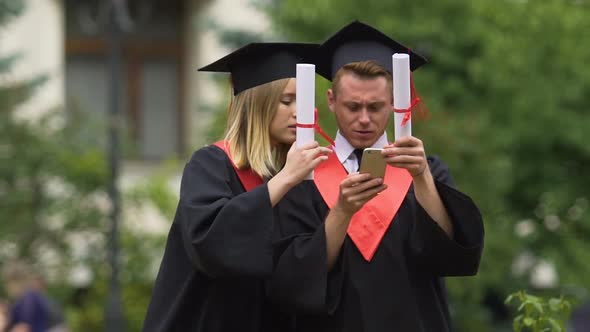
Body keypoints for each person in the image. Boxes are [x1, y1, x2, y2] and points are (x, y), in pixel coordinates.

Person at [268, 21, 485, 331]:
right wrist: (341, 212)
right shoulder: (304, 176)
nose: (364, 119)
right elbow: (294, 279)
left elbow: (451, 257)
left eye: (376, 106)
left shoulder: (426, 171)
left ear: (395, 103)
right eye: (353, 106)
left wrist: (421, 178)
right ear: (331, 101)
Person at [142, 42, 332, 332]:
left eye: (303, 101)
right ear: (258, 104)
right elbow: (211, 244)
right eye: (286, 101)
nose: (299, 112)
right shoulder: (212, 165)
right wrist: (284, 181)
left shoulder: (305, 178)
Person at [1, 261, 61, 332]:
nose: (8, 287)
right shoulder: (24, 299)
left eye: (8, 283)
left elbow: (24, 328)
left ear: (15, 281)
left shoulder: (29, 298)